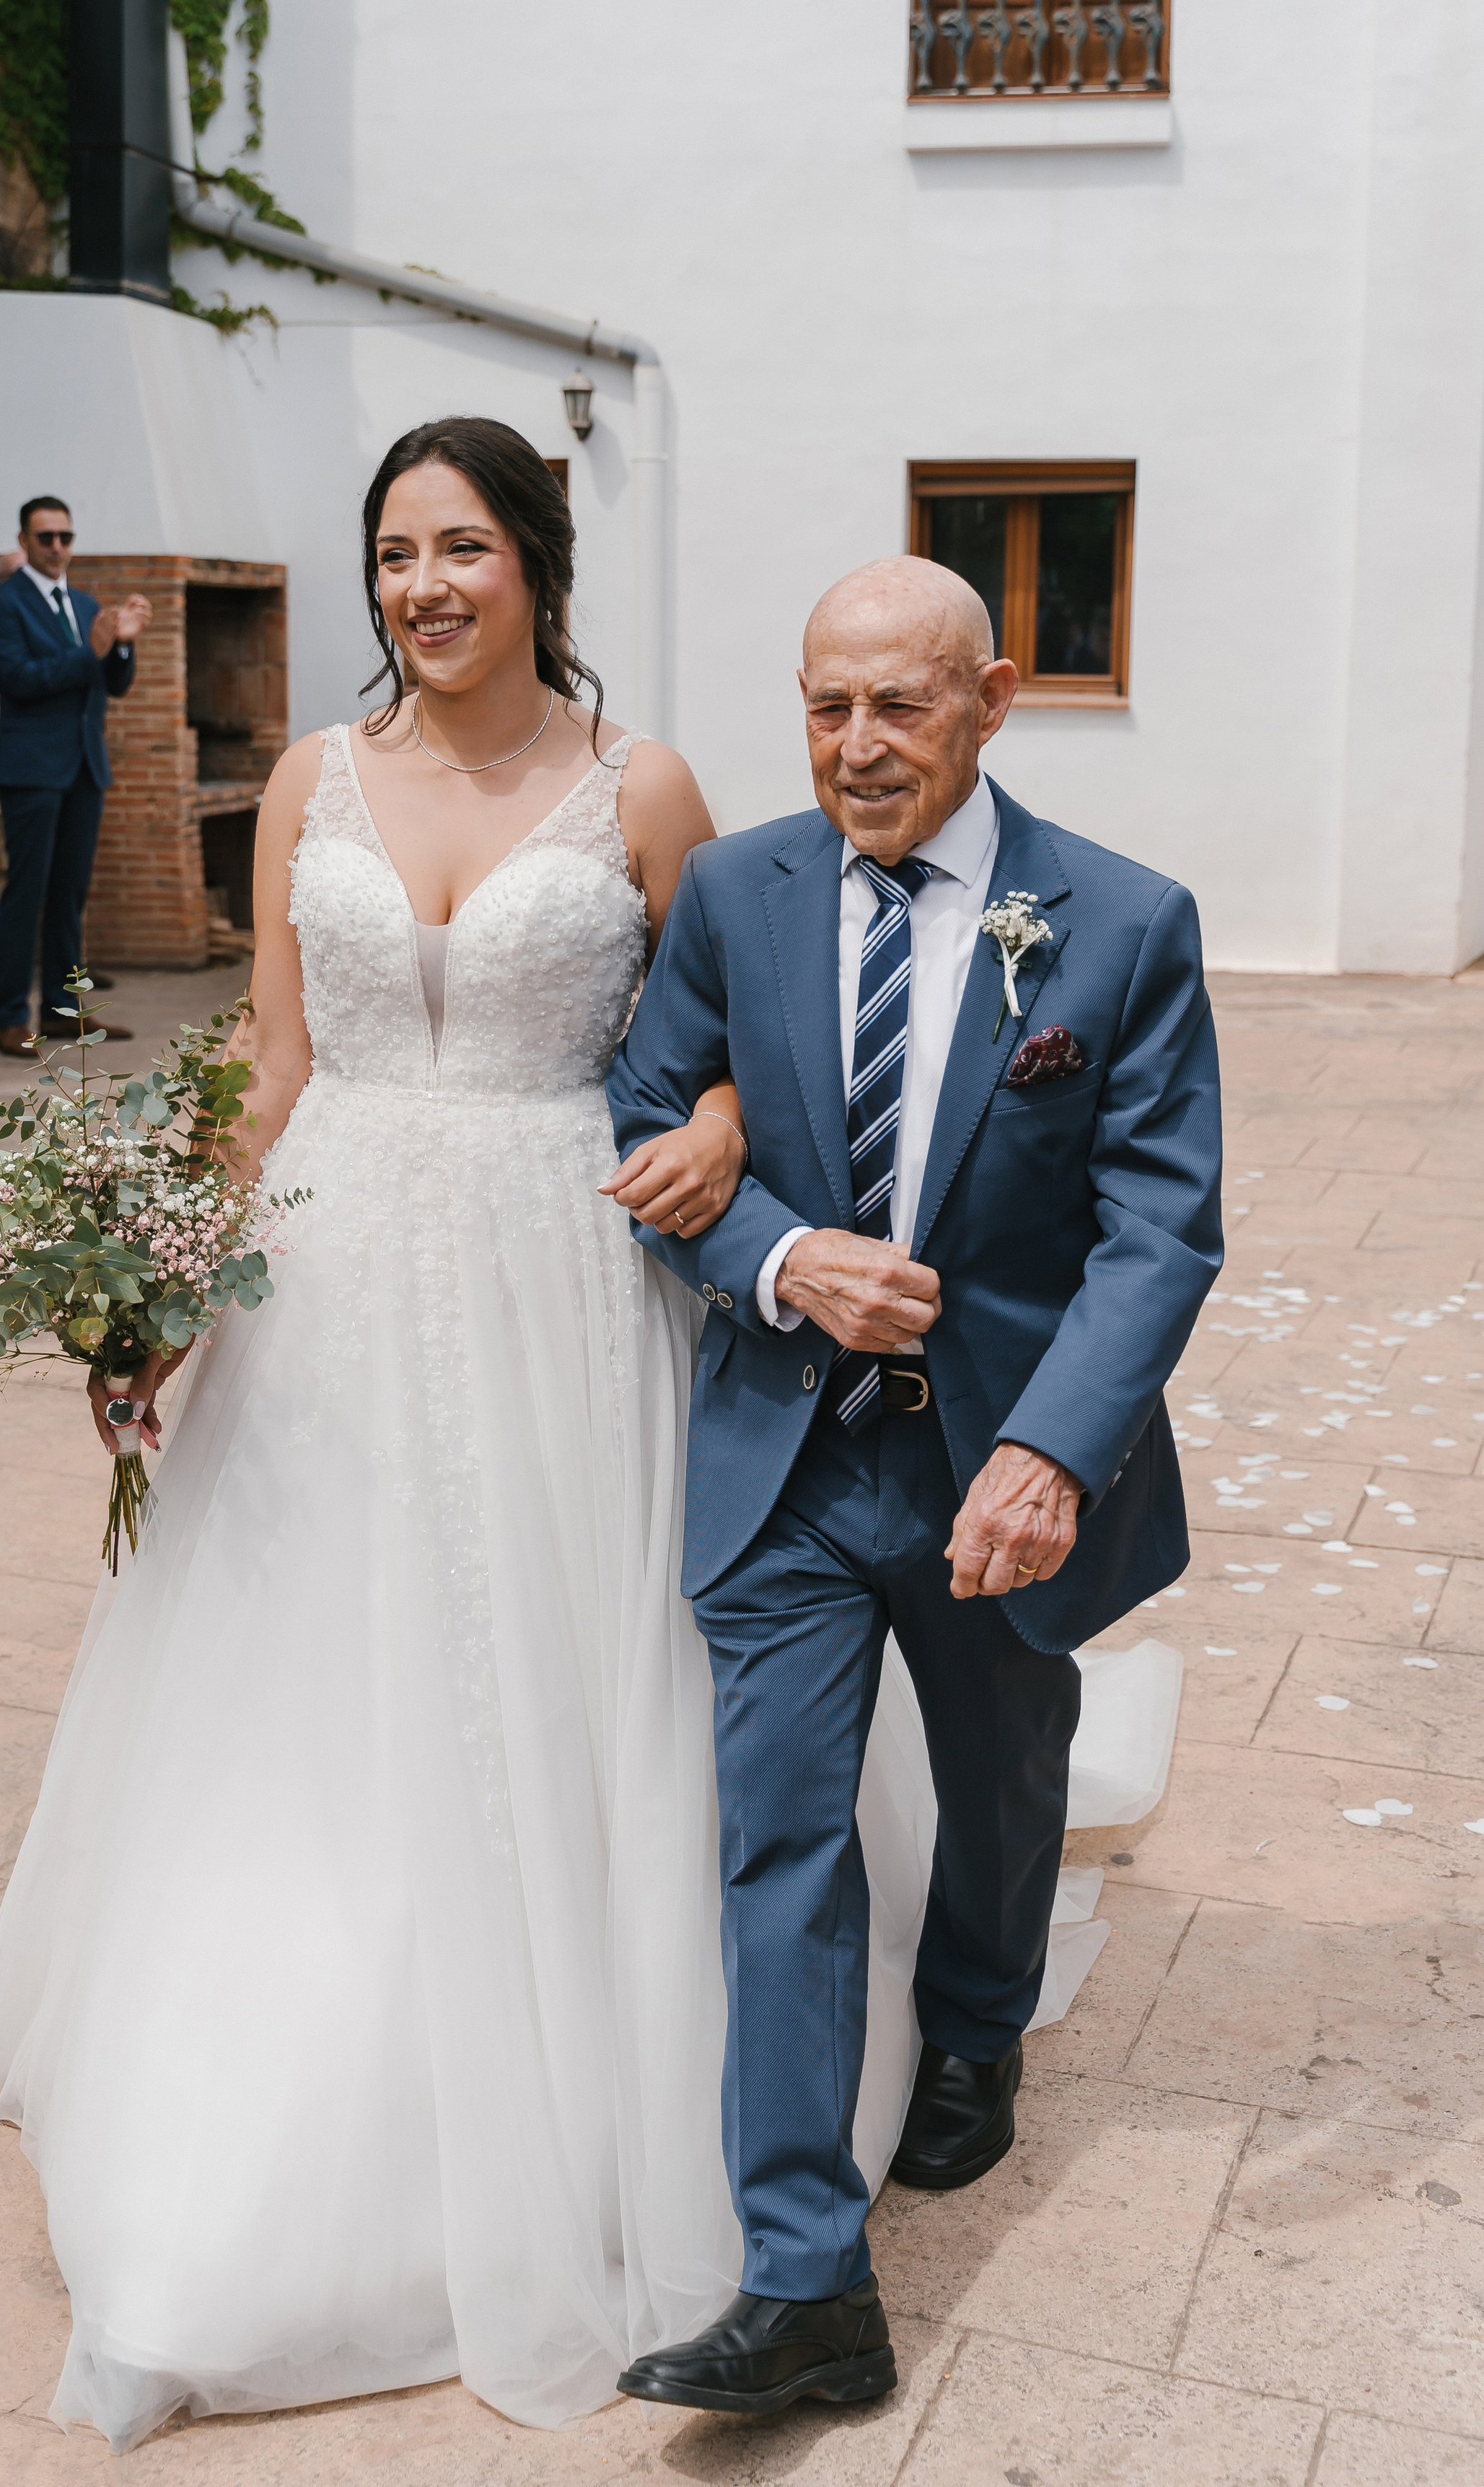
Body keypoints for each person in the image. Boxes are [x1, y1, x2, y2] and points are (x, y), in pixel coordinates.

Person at [0, 418, 760, 2447]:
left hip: (564, 1292)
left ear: (539, 559)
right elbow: (273, 1063)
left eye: (463, 547)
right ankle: (248, 2146)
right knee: (303, 1714)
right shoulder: (309, 778)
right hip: (325, 1294)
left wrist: (730, 1125)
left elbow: (740, 1043)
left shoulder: (644, 788)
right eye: (395, 552)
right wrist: (158, 1289)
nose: (424, 588)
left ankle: (532, 2093)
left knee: (538, 1700)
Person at [606, 556, 1221, 2417]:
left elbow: (1158, 1218)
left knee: (1000, 1770)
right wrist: (783, 1253)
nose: (854, 746)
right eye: (821, 706)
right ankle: (803, 2278)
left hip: (992, 1464)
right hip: (784, 1453)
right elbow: (643, 1106)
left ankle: (974, 2025)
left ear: (989, 695)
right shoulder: (731, 889)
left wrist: (1048, 1443)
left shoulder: (1115, 920)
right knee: (776, 1839)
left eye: (896, 705)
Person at [0, 496, 149, 1056]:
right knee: (26, 892)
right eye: (45, 537)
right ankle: (10, 1016)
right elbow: (20, 679)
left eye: (65, 537)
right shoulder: (1, 603)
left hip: (84, 764)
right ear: (24, 541)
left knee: (70, 894)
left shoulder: (84, 602)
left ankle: (63, 1010)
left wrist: (122, 646)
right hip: (32, 768)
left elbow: (112, 684)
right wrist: (91, 651)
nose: (57, 547)